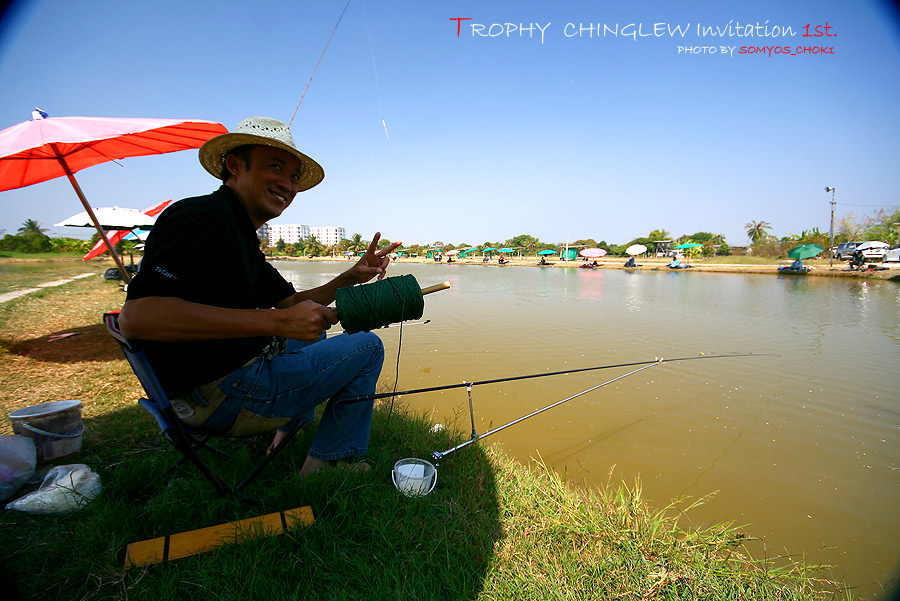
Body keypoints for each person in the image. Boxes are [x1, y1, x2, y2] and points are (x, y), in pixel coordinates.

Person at [117, 116, 401, 476]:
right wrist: (276, 322)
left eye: (294, 176)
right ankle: (323, 466)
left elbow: (291, 305)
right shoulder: (202, 217)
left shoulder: (238, 234)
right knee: (367, 347)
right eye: (276, 168)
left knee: (317, 336)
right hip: (217, 396)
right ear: (235, 166)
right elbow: (138, 317)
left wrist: (350, 277)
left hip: (209, 384)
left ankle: (283, 439)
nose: (287, 184)